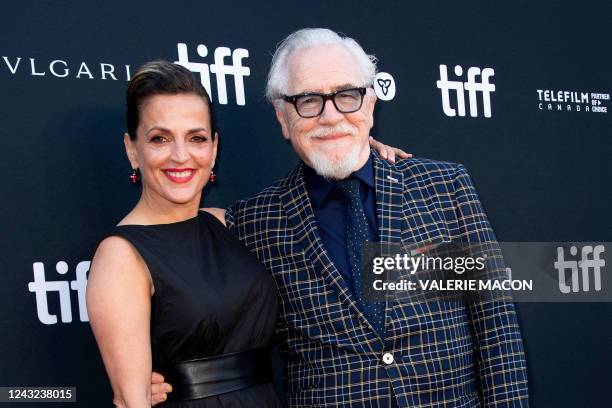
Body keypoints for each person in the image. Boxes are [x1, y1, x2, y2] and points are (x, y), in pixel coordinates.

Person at [153, 28, 529, 407]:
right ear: (283, 117)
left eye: (347, 96)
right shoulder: (252, 222)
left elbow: (495, 326)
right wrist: (165, 379)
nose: (330, 117)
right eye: (308, 101)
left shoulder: (443, 186)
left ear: (369, 104)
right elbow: (213, 319)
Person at [86, 61, 284, 407]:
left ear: (214, 148)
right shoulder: (121, 255)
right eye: (160, 138)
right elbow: (132, 402)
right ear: (132, 149)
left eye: (196, 138)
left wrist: (366, 152)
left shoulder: (227, 223)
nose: (181, 156)